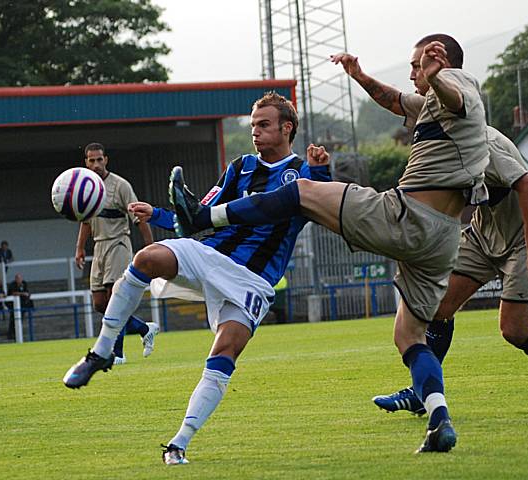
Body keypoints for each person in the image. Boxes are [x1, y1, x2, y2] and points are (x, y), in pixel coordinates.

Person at [169, 34, 490, 453]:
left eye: (417, 65)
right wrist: (358, 75)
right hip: (442, 240)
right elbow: (395, 100)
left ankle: (203, 216)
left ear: (441, 61)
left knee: (301, 191)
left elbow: (456, 97)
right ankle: (439, 419)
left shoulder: (457, 83)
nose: (413, 73)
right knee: (410, 336)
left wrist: (438, 75)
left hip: (407, 215)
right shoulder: (430, 105)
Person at [63, 92, 332, 465]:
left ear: (287, 128)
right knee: (146, 258)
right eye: (253, 124)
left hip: (253, 281)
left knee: (223, 353)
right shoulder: (240, 167)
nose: (255, 131)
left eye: (263, 124)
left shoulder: (303, 172)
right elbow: (199, 214)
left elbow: (323, 204)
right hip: (211, 255)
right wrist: (156, 213)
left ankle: (178, 444)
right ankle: (101, 352)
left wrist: (321, 172)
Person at [372, 127, 528, 415]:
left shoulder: (485, 144)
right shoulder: (445, 142)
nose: (413, 79)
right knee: (437, 306)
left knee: (513, 330)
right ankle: (422, 392)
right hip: (483, 233)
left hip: (523, 236)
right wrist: (361, 78)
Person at [74, 142, 158, 364]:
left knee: (115, 299)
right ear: (86, 162)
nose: (96, 164)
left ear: (106, 160)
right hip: (99, 246)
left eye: (99, 159)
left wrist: (150, 247)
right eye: (91, 160)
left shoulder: (120, 186)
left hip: (118, 244)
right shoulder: (85, 187)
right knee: (99, 304)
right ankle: (143, 328)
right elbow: (85, 222)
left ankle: (117, 353)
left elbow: (139, 216)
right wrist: (80, 248)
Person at [7, 273, 34, 341]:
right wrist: (22, 294)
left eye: (20, 278)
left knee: (20, 319)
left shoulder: (24, 283)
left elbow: (27, 291)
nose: (19, 280)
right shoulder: (12, 285)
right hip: (13, 305)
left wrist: (27, 294)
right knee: (13, 319)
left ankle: (17, 333)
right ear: (15, 279)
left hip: (22, 304)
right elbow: (13, 293)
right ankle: (11, 334)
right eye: (18, 278)